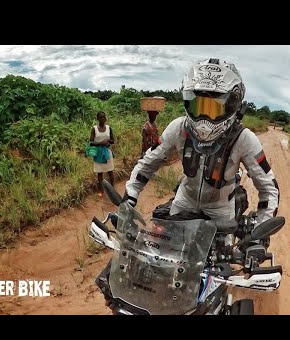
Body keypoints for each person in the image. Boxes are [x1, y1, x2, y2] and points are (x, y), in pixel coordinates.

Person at [125, 58, 279, 225]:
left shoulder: (243, 138)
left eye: (214, 107)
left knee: (227, 249)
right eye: (199, 106)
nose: (205, 118)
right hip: (185, 201)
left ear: (232, 104)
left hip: (221, 211)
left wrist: (259, 236)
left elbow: (268, 188)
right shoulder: (178, 128)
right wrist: (130, 197)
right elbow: (148, 162)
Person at [90, 111, 115, 195]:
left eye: (104, 117)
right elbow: (91, 142)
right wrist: (101, 143)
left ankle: (112, 189)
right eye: (100, 117)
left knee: (110, 171)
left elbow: (112, 140)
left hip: (107, 152)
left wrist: (107, 141)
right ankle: (101, 190)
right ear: (97, 119)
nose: (102, 119)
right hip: (98, 153)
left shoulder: (108, 128)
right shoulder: (94, 129)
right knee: (100, 173)